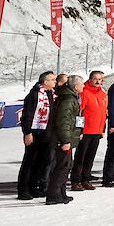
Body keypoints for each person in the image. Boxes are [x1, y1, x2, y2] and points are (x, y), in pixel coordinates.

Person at [18, 71, 56, 200]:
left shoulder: (50, 94)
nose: (54, 82)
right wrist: (27, 132)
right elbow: (27, 115)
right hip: (35, 133)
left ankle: (34, 188)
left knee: (41, 162)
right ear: (45, 82)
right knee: (29, 162)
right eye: (52, 80)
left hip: (47, 134)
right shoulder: (34, 95)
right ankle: (23, 189)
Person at [46, 75, 83, 205]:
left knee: (66, 166)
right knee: (62, 167)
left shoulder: (71, 98)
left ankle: (61, 192)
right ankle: (53, 194)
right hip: (62, 139)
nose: (83, 86)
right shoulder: (68, 100)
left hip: (66, 138)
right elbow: (64, 122)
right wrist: (66, 141)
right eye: (81, 83)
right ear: (76, 86)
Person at [71, 71, 106, 191]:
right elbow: (79, 112)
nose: (98, 81)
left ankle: (85, 179)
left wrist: (102, 128)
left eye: (100, 79)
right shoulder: (84, 92)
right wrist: (79, 130)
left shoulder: (102, 93)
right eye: (95, 79)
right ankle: (76, 180)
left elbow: (103, 113)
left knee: (90, 158)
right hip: (86, 131)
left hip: (96, 130)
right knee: (81, 157)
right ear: (90, 79)